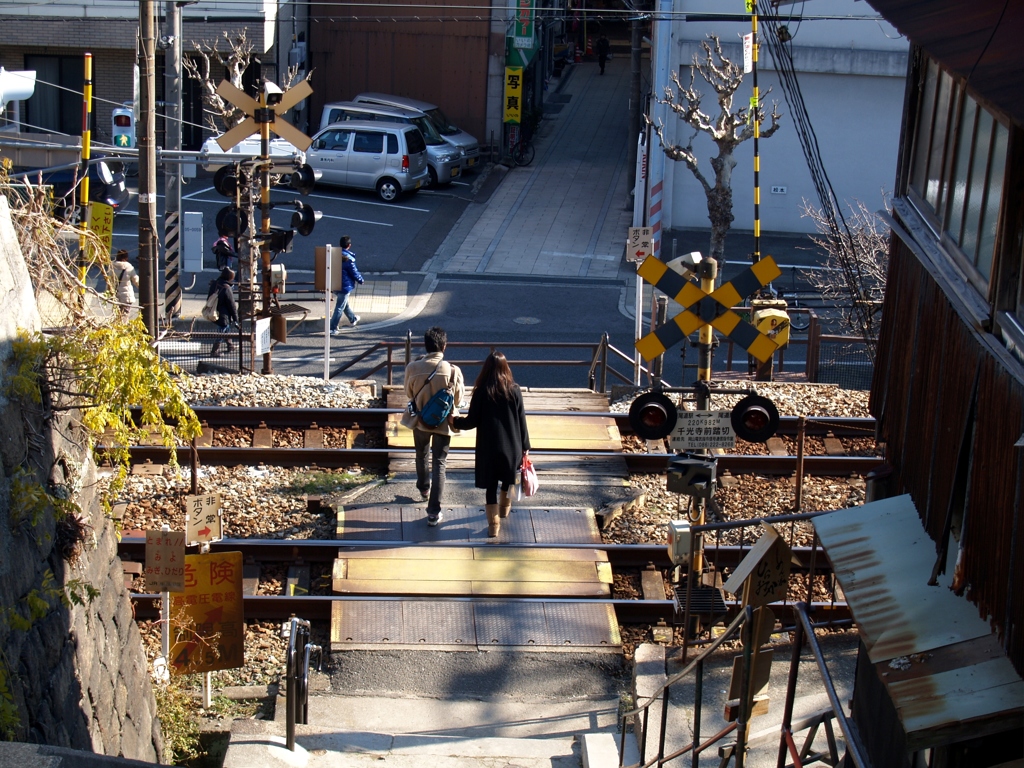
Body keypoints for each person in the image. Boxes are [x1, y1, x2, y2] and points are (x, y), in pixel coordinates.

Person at [451, 351, 531, 538]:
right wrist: (525, 445)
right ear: (506, 368)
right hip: (512, 446)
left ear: (486, 368)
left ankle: (493, 526)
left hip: (488, 448)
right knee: (507, 478)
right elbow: (522, 421)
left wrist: (455, 421)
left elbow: (472, 421)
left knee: (490, 486)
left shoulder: (481, 392)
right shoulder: (514, 390)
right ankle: (505, 509)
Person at [401, 327, 465, 527]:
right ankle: (433, 512)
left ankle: (423, 488)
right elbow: (459, 399)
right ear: (444, 346)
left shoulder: (413, 367)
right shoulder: (453, 370)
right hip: (444, 424)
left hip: (420, 421)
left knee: (421, 454)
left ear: (426, 345)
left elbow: (408, 394)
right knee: (440, 462)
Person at [330, 235, 364, 335]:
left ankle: (352, 319)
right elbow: (354, 272)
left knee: (344, 304)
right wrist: (360, 280)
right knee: (340, 306)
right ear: (349, 245)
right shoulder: (348, 258)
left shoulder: (334, 255)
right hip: (345, 286)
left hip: (335, 284)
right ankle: (332, 328)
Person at [209, 267, 239, 357]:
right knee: (222, 330)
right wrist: (236, 319)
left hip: (215, 311)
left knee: (226, 329)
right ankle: (214, 350)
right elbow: (232, 305)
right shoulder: (227, 288)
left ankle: (230, 345)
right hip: (224, 314)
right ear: (229, 277)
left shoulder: (214, 284)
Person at [111, 249, 139, 317]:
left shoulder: (112, 266)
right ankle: (123, 326)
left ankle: (118, 326)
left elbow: (109, 281)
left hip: (116, 295)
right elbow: (136, 281)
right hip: (127, 296)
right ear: (126, 257)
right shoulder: (129, 267)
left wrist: (109, 293)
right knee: (125, 315)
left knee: (118, 315)